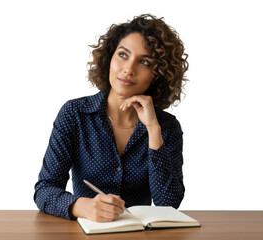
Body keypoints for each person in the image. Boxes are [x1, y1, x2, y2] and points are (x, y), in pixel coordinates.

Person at [34, 14, 189, 222]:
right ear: (109, 58)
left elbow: (169, 204)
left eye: (144, 62)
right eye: (123, 55)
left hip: (139, 236)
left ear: (158, 74)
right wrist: (82, 207)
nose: (128, 69)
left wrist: (153, 129)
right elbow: (44, 190)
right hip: (85, 233)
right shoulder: (75, 114)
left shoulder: (167, 127)